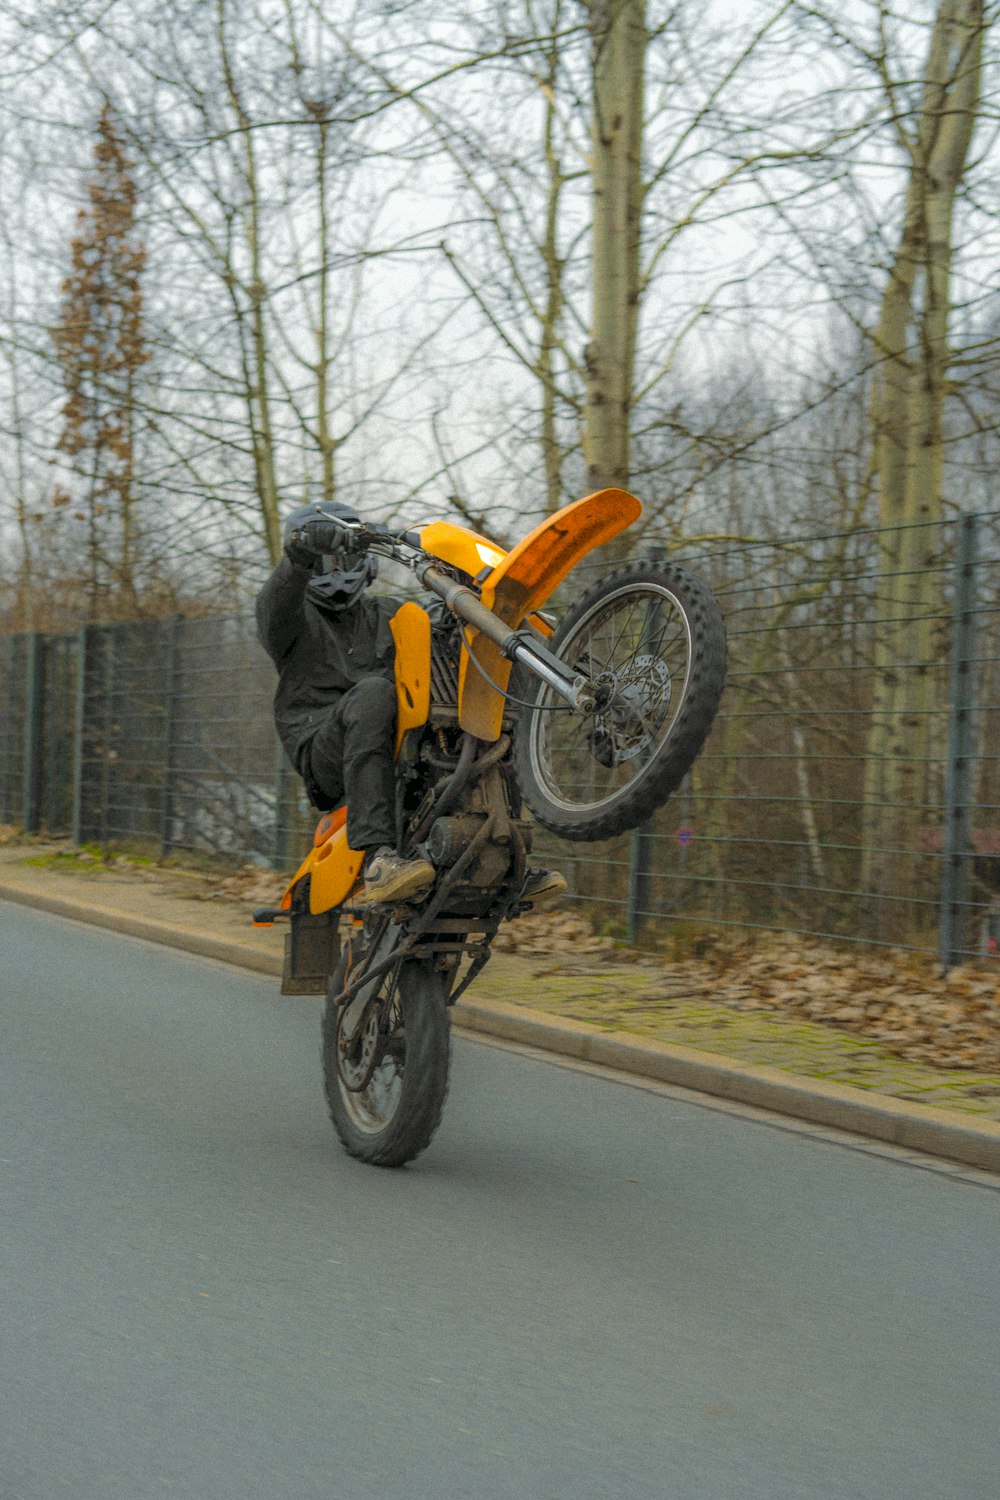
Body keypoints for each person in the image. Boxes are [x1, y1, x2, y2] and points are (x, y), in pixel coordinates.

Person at [256, 500, 565, 910]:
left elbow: (433, 638)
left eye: (344, 557)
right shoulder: (292, 621)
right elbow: (274, 608)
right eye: (323, 560)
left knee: (482, 703)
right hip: (324, 752)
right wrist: (299, 553)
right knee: (373, 692)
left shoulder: (390, 612)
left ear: (364, 561)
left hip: (398, 741)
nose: (335, 571)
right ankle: (379, 860)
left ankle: (507, 853)